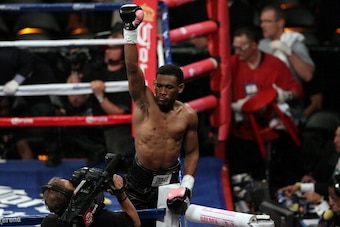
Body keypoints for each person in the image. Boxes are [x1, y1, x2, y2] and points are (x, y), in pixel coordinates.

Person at [119, 4, 200, 226]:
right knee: (134, 224)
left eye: (169, 88)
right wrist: (130, 31)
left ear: (180, 89)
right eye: (159, 86)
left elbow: (192, 152)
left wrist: (188, 186)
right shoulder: (144, 102)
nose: (162, 92)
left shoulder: (188, 115)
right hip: (139, 178)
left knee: (168, 225)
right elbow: (132, 67)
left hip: (171, 180)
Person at [227, 26, 303, 182]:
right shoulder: (230, 64)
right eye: (235, 47)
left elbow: (297, 90)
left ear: (253, 46)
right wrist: (232, 105)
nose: (237, 52)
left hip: (271, 129)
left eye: (241, 48)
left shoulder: (275, 64)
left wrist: (285, 95)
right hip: (242, 130)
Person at [258, 5, 318, 123]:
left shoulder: (295, 44)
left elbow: (308, 75)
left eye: (267, 21)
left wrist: (289, 52)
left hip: (290, 102)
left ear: (280, 23)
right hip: (263, 100)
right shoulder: (261, 45)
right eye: (261, 21)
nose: (262, 25)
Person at [41, 174, 141, 227]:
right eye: (73, 186)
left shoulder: (48, 223)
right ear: (73, 197)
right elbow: (135, 222)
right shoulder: (103, 219)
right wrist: (120, 194)